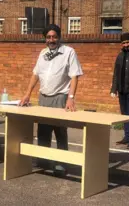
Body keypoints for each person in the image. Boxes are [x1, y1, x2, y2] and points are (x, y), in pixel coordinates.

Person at [19, 24, 83, 175]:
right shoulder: (43, 53)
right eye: (48, 37)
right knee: (43, 131)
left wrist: (71, 98)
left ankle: (62, 163)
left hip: (60, 97)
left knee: (60, 132)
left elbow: (74, 76)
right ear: (45, 39)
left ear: (59, 37)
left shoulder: (68, 52)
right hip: (44, 97)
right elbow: (36, 74)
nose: (51, 40)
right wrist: (27, 94)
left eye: (54, 36)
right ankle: (43, 160)